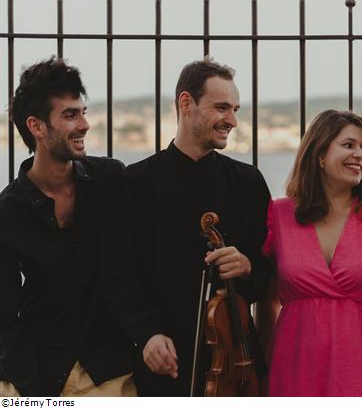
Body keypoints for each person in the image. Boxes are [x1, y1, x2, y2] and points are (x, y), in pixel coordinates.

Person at [101, 58, 271, 396]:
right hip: (160, 362)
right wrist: (146, 334)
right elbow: (116, 275)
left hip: (235, 364)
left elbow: (271, 275)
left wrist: (248, 266)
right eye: (221, 107)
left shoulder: (248, 183)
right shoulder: (135, 183)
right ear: (185, 103)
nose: (232, 120)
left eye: (235, 109)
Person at [0, 58, 135, 396]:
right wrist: (32, 391)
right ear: (37, 126)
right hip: (32, 371)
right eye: (70, 115)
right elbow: (4, 315)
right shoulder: (8, 210)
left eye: (83, 112)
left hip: (107, 372)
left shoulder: (110, 180)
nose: (85, 125)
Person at [259, 109, 362, 396]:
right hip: (293, 365)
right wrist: (263, 365)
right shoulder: (279, 215)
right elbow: (268, 301)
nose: (360, 155)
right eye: (349, 145)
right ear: (319, 154)